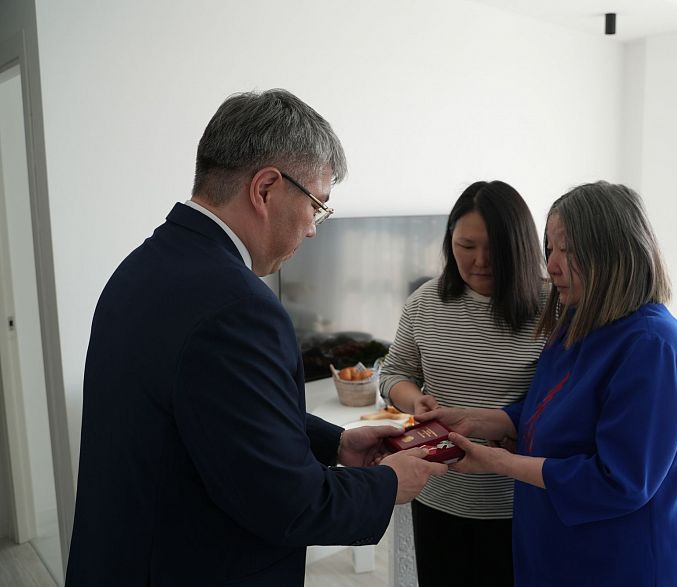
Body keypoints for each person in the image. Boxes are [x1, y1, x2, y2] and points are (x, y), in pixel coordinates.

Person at [65, 89, 447, 586]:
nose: (313, 230)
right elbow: (288, 503)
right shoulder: (239, 307)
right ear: (265, 189)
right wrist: (388, 483)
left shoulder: (144, 264)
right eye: (317, 206)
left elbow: (216, 414)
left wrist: (336, 442)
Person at [422, 181, 677, 586]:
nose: (551, 266)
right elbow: (550, 405)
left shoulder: (654, 347)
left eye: (566, 250)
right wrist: (479, 420)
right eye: (550, 249)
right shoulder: (580, 318)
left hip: (619, 562)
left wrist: (497, 462)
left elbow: (619, 481)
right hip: (556, 547)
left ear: (613, 251)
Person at [379, 180, 547, 587]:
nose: (480, 261)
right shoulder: (425, 302)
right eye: (466, 246)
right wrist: (415, 400)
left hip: (519, 500)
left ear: (521, 247)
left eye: (494, 248)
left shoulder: (552, 308)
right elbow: (393, 372)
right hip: (437, 491)